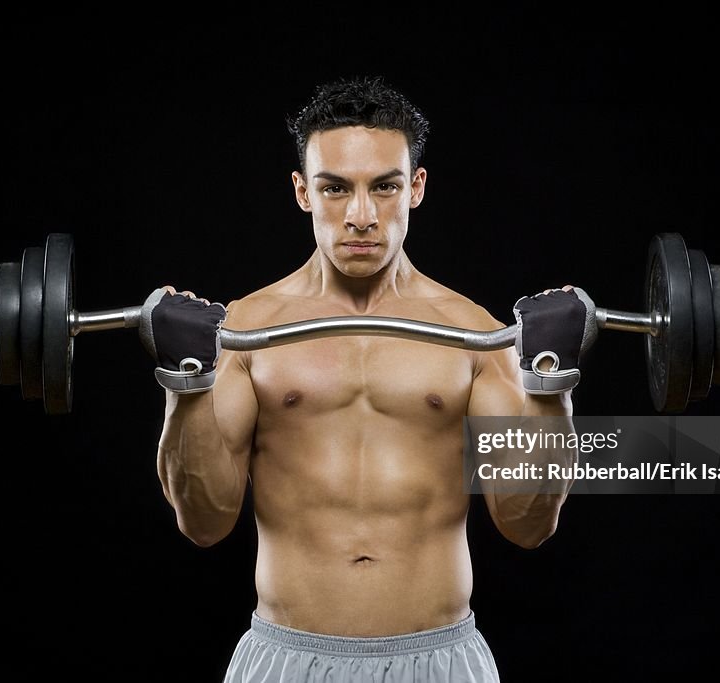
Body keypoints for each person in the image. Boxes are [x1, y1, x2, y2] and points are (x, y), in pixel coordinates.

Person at [138, 76, 587, 683]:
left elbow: (528, 523)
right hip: (288, 657)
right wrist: (185, 381)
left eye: (384, 187)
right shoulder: (246, 332)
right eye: (334, 188)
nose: (360, 216)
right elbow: (204, 522)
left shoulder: (474, 335)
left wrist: (550, 386)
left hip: (440, 660)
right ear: (302, 192)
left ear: (416, 188)